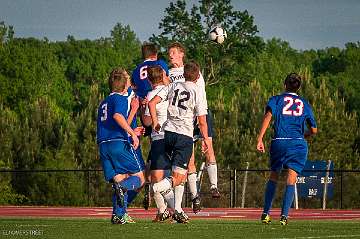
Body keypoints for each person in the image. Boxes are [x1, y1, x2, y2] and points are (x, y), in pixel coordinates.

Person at [149, 62, 210, 223]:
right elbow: (202, 121)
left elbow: (152, 103)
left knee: (179, 174)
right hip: (184, 136)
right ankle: (157, 187)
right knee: (179, 176)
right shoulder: (198, 91)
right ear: (197, 77)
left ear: (184, 74)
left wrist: (156, 122)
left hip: (168, 134)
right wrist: (206, 141)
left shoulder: (174, 85)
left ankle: (178, 209)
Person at [256, 73, 317, 225]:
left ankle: (265, 213)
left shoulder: (276, 99)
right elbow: (314, 129)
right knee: (291, 178)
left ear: (285, 85)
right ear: (299, 87)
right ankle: (284, 216)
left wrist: (260, 138)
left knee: (274, 175)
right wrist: (305, 134)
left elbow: (268, 116)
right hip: (297, 142)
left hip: (279, 141)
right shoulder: (304, 103)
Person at [167, 42, 220, 215]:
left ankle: (214, 186)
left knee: (208, 147)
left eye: (174, 52)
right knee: (189, 160)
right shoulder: (169, 74)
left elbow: (200, 94)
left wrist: (200, 117)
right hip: (183, 121)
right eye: (169, 53)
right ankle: (196, 197)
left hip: (200, 115)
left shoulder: (192, 71)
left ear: (182, 54)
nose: (171, 55)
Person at [97, 67, 146, 224]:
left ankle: (118, 215)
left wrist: (132, 112)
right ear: (125, 85)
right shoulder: (119, 99)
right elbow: (118, 116)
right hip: (118, 142)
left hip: (104, 146)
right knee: (139, 179)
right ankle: (123, 190)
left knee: (119, 180)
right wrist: (132, 133)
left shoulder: (104, 102)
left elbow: (117, 119)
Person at [131, 42, 169, 210]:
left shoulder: (136, 70)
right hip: (161, 116)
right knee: (167, 157)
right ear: (155, 54)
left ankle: (147, 179)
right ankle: (163, 195)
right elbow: (167, 83)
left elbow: (135, 92)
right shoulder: (160, 65)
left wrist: (143, 106)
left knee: (154, 149)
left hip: (144, 111)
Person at [142, 65, 174, 222]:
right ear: (163, 76)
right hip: (174, 135)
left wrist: (142, 109)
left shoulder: (151, 94)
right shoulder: (171, 89)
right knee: (167, 178)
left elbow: (147, 122)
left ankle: (170, 210)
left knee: (157, 179)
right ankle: (167, 211)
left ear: (148, 80)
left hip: (159, 138)